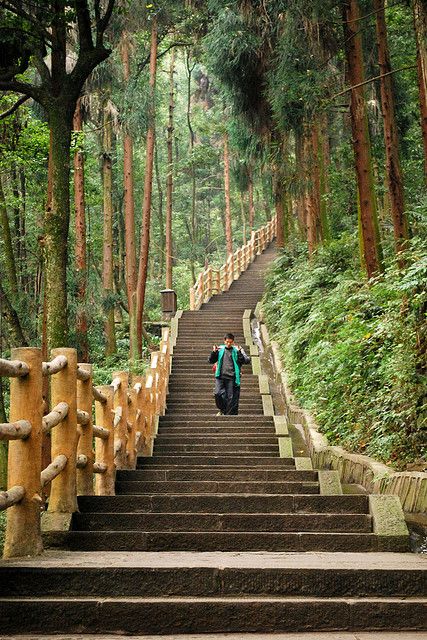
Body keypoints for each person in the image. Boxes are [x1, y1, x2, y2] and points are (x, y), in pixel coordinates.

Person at [208, 333, 250, 415]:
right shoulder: (220, 349)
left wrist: (239, 352)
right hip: (220, 376)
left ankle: (226, 414)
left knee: (230, 398)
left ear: (233, 342)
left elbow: (245, 361)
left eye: (230, 342)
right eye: (227, 342)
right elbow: (210, 360)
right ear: (224, 341)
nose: (228, 344)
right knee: (217, 393)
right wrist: (214, 352)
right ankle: (222, 409)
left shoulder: (236, 350)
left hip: (232, 377)